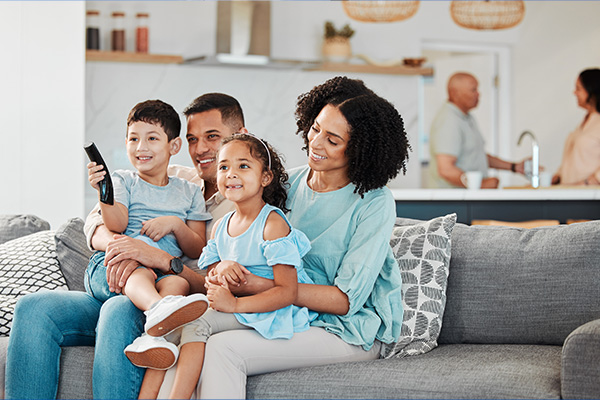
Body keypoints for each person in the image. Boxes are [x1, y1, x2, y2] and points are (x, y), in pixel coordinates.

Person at [154, 76, 410, 398]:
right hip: (287, 313)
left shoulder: (375, 201)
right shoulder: (291, 183)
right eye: (316, 129)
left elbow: (344, 301)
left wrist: (255, 286)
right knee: (185, 330)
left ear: (359, 149)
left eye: (333, 140)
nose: (315, 144)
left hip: (346, 329)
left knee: (223, 349)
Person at [5, 93, 244, 399]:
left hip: (169, 288)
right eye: (194, 138)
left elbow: (213, 274)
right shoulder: (162, 176)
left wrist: (160, 256)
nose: (201, 149)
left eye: (212, 137)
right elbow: (96, 226)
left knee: (122, 306)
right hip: (119, 272)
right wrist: (123, 246)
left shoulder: (244, 203)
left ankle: (158, 317)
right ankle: (156, 310)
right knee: (33, 307)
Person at [131, 134, 316, 399]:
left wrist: (236, 305)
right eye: (224, 167)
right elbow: (211, 279)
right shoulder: (220, 227)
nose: (231, 174)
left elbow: (288, 292)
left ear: (265, 177)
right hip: (233, 306)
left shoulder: (272, 224)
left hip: (269, 311)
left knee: (197, 324)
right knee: (167, 330)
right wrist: (221, 270)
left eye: (243, 166)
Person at [85, 99, 211, 341]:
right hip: (123, 261)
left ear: (174, 146)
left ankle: (152, 338)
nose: (141, 147)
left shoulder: (190, 191)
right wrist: (104, 192)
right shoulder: (124, 181)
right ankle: (156, 308)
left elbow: (196, 248)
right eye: (133, 139)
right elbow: (116, 224)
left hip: (163, 269)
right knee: (139, 272)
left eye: (152, 138)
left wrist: (175, 224)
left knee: (179, 285)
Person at [429, 72, 527, 188]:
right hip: (453, 201)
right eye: (473, 90)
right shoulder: (448, 121)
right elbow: (446, 169)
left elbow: (476, 156)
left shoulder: (466, 118)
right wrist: (481, 184)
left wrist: (514, 167)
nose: (478, 94)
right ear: (455, 93)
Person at [553, 68, 600, 185]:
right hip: (571, 192)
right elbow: (574, 158)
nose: (574, 93)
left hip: (590, 196)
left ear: (591, 91)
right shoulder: (584, 122)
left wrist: (592, 181)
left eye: (578, 88)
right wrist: (558, 176)